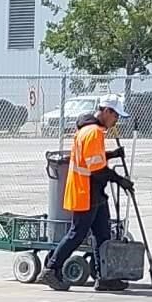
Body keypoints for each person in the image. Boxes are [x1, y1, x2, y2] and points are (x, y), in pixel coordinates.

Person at [43, 102, 130, 292]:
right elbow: (96, 169)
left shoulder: (92, 131)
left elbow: (93, 158)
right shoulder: (92, 133)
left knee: (102, 235)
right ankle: (52, 268)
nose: (116, 121)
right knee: (77, 234)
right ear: (107, 111)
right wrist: (119, 180)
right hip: (86, 192)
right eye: (115, 117)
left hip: (94, 191)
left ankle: (104, 277)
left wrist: (112, 155)